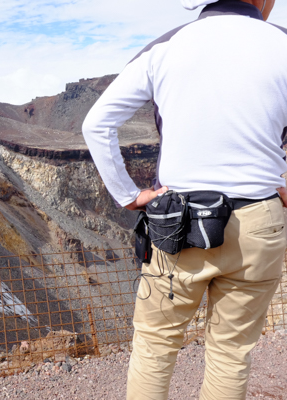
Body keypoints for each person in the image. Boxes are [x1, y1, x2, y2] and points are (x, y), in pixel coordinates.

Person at [82, 0, 287, 399]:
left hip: (179, 224)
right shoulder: (282, 43)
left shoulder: (167, 45)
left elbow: (96, 123)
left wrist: (129, 195)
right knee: (231, 353)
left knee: (155, 345)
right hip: (260, 222)